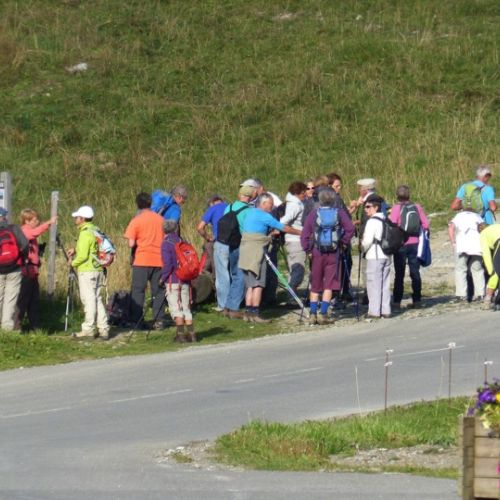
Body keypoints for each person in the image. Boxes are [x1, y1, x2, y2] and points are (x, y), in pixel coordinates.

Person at [239, 193, 302, 323]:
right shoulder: (265, 216)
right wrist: (301, 232)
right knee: (258, 284)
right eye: (270, 204)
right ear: (263, 203)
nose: (272, 206)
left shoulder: (250, 213)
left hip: (245, 250)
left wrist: (269, 233)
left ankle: (248, 313)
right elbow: (284, 227)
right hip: (256, 251)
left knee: (250, 285)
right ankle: (255, 313)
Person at [301, 189, 355, 324]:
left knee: (315, 283)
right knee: (329, 284)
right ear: (333, 200)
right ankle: (323, 313)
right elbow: (350, 228)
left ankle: (312, 314)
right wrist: (343, 242)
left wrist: (307, 249)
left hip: (317, 251)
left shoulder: (314, 213)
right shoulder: (339, 212)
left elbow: (305, 234)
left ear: (320, 200)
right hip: (334, 251)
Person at [67, 206, 109, 339]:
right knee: (97, 298)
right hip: (98, 269)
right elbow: (91, 249)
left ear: (82, 218)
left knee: (88, 299)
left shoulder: (85, 233)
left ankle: (88, 329)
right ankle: (103, 328)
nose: (75, 219)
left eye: (77, 217)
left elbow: (83, 256)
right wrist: (75, 249)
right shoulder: (95, 229)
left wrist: (72, 263)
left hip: (87, 270)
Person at [124, 192, 165, 329]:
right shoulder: (160, 219)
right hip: (159, 260)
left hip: (142, 260)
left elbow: (131, 243)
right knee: (158, 291)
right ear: (150, 203)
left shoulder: (136, 220)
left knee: (138, 291)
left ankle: (136, 320)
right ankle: (159, 320)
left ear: (138, 204)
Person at [217, 185, 256, 319]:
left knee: (234, 274)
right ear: (250, 197)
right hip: (242, 244)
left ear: (240, 195)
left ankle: (227, 307)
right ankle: (233, 308)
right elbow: (248, 229)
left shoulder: (229, 207)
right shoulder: (249, 210)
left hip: (230, 244)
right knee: (241, 276)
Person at [15, 209, 57, 331]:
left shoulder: (29, 232)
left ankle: (36, 327)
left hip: (33, 271)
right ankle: (16, 326)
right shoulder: (24, 231)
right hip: (26, 273)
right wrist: (49, 223)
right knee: (23, 300)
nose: (37, 222)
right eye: (34, 220)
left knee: (34, 300)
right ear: (26, 221)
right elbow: (35, 233)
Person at [389, 185, 430, 309]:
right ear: (409, 195)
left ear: (397, 195)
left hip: (401, 244)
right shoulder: (417, 206)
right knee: (415, 272)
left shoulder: (396, 208)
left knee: (399, 273)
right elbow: (426, 224)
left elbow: (392, 224)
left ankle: (397, 301)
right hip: (415, 243)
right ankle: (417, 300)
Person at [160, 219, 196, 342]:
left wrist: (162, 278)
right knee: (186, 308)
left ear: (164, 230)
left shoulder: (166, 244)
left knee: (176, 309)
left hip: (173, 280)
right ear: (176, 229)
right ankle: (192, 334)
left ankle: (180, 336)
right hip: (185, 279)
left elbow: (168, 265)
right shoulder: (183, 241)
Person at [361, 195, 392, 319]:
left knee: (373, 283)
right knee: (385, 283)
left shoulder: (372, 221)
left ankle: (374, 311)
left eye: (368, 207)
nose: (366, 209)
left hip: (375, 255)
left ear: (376, 207)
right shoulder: (386, 219)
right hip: (387, 254)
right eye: (365, 207)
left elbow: (367, 241)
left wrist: (362, 248)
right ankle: (386, 309)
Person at [196, 195, 227, 310]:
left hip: (219, 242)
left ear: (212, 203)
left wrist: (207, 237)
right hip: (234, 242)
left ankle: (221, 302)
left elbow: (200, 227)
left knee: (219, 272)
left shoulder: (213, 208)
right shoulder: (231, 206)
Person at [0, 208, 28, 331]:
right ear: (4, 217)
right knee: (10, 299)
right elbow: (25, 245)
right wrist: (22, 258)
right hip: (15, 268)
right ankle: (6, 328)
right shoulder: (14, 228)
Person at [448, 209, 485, 302]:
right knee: (477, 269)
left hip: (462, 245)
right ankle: (480, 294)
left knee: (461, 269)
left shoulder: (458, 216)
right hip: (477, 245)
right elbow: (484, 229)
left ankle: (461, 295)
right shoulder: (478, 217)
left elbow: (451, 227)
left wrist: (453, 241)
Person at [280, 181, 307, 298]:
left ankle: (292, 296)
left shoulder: (295, 203)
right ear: (297, 193)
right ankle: (292, 297)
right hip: (295, 241)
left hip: (295, 240)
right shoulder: (295, 205)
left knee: (296, 269)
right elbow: (282, 222)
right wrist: (300, 232)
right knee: (298, 270)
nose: (305, 194)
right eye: (303, 192)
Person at [479, 223, 500, 310]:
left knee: (496, 273)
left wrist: (491, 270)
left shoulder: (483, 234)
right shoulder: (496, 225)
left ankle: (487, 300)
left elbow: (486, 254)